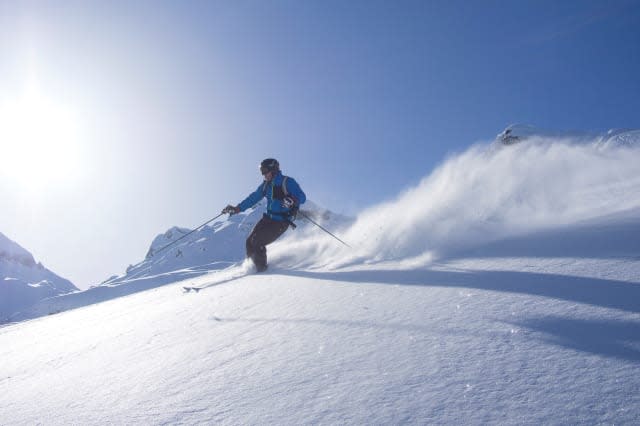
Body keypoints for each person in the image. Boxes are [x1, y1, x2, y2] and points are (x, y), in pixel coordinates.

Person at [222, 158, 306, 272]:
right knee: (249, 242)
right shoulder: (266, 185)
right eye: (262, 171)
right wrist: (237, 208)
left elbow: (302, 197)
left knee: (257, 241)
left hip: (281, 221)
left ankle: (261, 272)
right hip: (268, 219)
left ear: (274, 169)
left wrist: (292, 199)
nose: (263, 174)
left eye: (265, 170)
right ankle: (251, 268)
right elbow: (253, 198)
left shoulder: (287, 182)